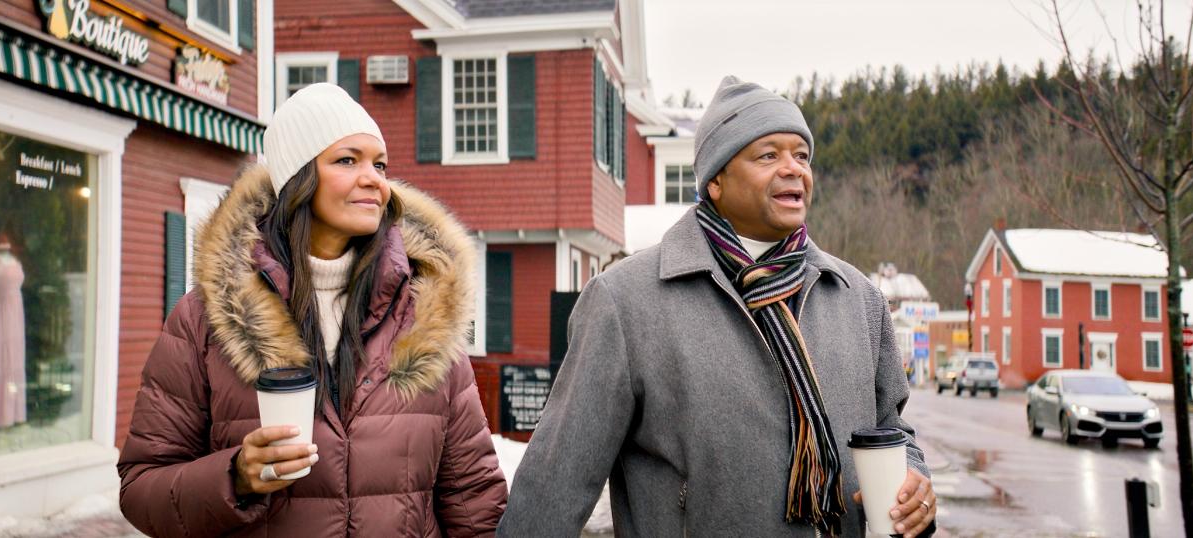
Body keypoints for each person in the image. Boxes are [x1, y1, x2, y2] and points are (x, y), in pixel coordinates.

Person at [499, 76, 937, 537]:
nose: (794, 169)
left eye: (802, 155)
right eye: (768, 155)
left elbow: (891, 427)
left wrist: (914, 481)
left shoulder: (857, 297)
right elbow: (556, 483)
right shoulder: (626, 302)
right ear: (716, 182)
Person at [118, 83, 507, 537]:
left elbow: (476, 503)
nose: (374, 179)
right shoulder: (206, 321)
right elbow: (142, 488)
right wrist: (237, 477)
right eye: (347, 160)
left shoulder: (424, 318)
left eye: (379, 164)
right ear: (297, 177)